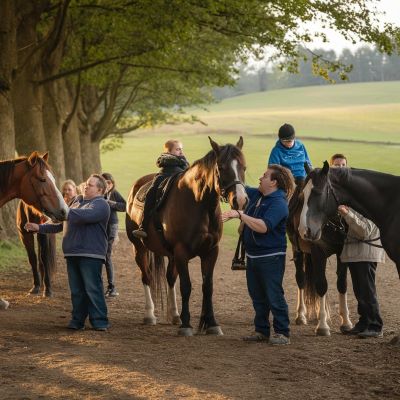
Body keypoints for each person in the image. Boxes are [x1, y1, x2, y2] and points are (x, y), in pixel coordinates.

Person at [25, 174, 111, 331]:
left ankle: (100, 322)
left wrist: (65, 211)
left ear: (100, 190)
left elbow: (84, 216)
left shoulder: (101, 204)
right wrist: (40, 227)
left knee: (92, 288)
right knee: (77, 290)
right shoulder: (76, 200)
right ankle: (77, 321)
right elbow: (60, 223)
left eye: (90, 185)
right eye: (86, 183)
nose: (86, 186)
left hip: (91, 254)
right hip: (72, 253)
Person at [221, 164, 295, 345]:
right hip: (253, 256)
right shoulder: (257, 195)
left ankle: (282, 333)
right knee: (257, 296)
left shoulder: (278, 203)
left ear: (274, 183)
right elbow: (238, 188)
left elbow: (263, 226)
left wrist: (240, 215)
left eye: (265, 176)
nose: (260, 178)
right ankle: (261, 330)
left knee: (274, 295)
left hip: (271, 258)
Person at [330, 155, 385, 338]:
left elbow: (365, 231)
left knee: (367, 292)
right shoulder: (348, 198)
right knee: (360, 292)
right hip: (355, 253)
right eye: (336, 165)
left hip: (366, 252)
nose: (340, 168)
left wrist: (346, 214)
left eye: (343, 165)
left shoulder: (366, 202)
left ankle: (375, 325)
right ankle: (363, 323)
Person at [132, 139, 189, 239]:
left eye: (181, 149)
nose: (181, 152)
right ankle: (143, 226)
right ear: (169, 151)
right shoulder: (166, 160)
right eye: (178, 149)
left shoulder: (183, 161)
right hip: (165, 176)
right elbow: (171, 165)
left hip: (180, 176)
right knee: (150, 194)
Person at [101, 172, 126, 298]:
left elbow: (125, 206)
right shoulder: (98, 193)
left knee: (106, 256)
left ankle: (112, 287)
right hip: (99, 226)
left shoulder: (114, 193)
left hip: (111, 226)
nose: (107, 185)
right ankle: (98, 285)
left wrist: (111, 203)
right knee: (99, 255)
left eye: (109, 182)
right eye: (104, 182)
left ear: (112, 183)